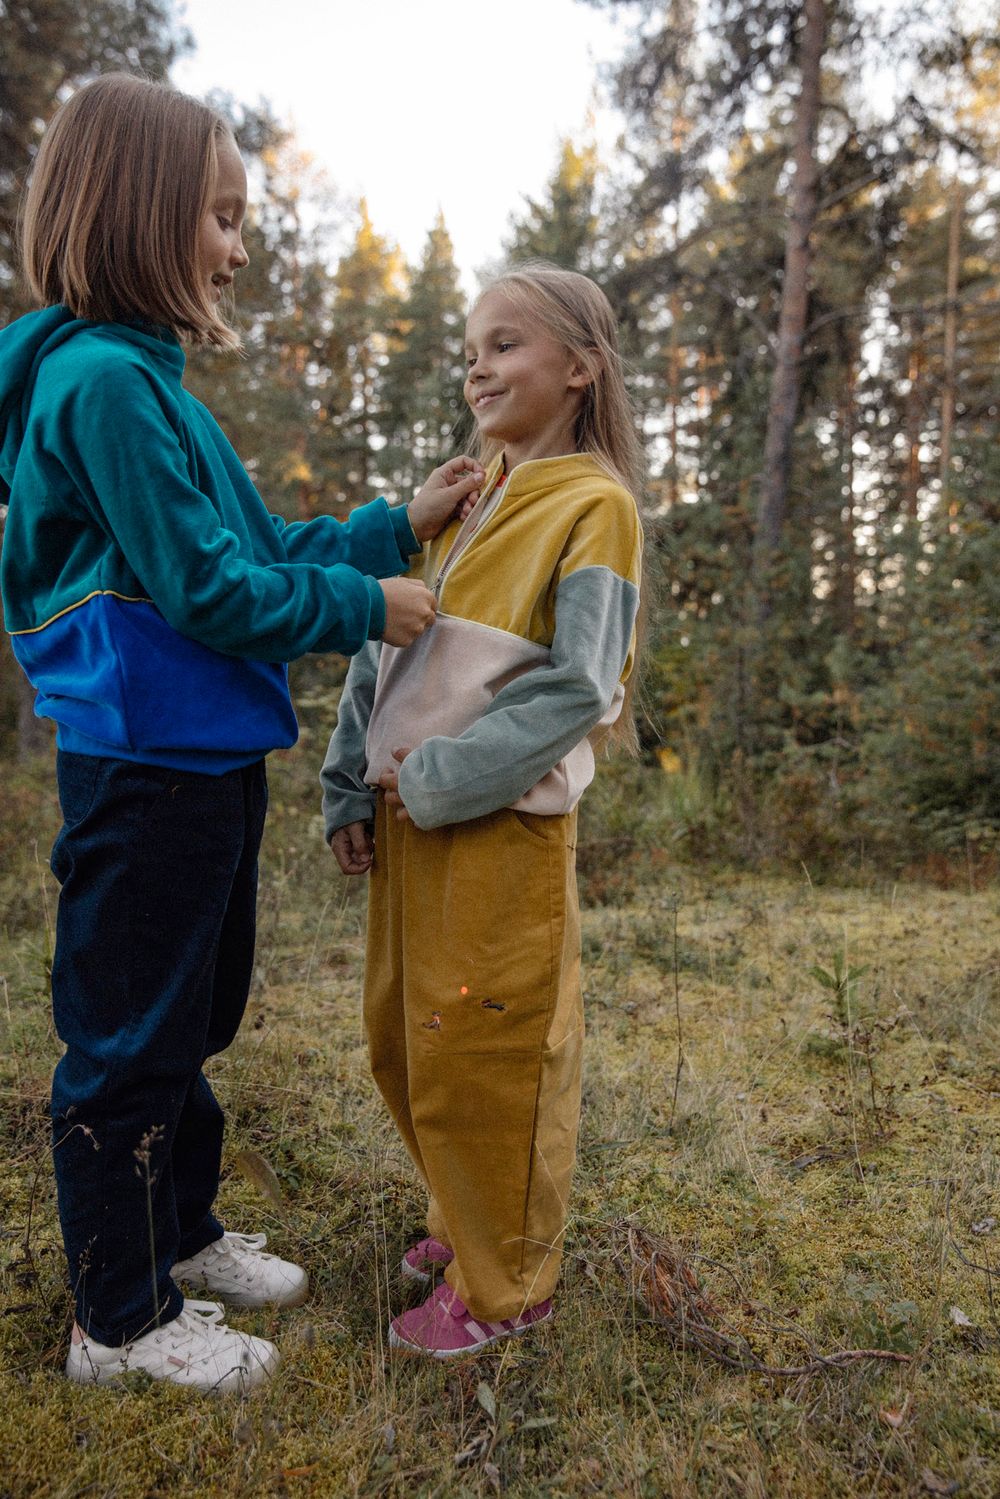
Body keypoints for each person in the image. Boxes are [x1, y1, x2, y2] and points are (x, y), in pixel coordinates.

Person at [0, 73, 484, 1392]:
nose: (237, 242)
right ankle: (120, 1316)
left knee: (190, 1015)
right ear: (144, 214)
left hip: (202, 757)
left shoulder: (155, 387)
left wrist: (394, 525)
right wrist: (368, 606)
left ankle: (183, 1230)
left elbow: (254, 549)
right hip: (146, 762)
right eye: (218, 215)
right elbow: (216, 595)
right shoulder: (100, 384)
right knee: (128, 1037)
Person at [321, 261, 644, 1358]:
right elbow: (383, 640)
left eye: (507, 343)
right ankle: (460, 1216)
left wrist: (450, 776)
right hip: (408, 820)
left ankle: (508, 1282)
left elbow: (580, 684)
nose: (479, 362)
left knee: (492, 1050)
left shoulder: (594, 504)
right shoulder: (461, 497)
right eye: (474, 344)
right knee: (406, 1038)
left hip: (498, 826)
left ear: (578, 370)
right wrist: (344, 782)